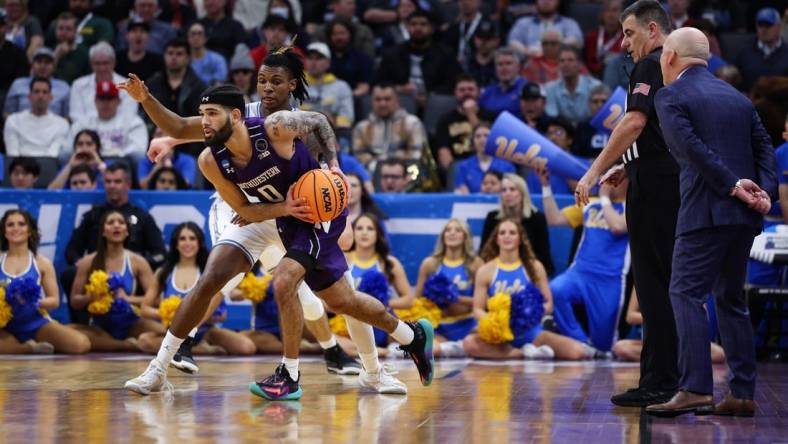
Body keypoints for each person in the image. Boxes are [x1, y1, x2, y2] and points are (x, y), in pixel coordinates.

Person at [120, 54, 432, 398]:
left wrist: (333, 167)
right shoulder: (237, 119)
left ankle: (374, 368)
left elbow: (322, 125)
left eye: (276, 81)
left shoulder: (287, 123)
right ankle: (160, 367)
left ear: (292, 85)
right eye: (262, 80)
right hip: (262, 211)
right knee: (213, 277)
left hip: (305, 214)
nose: (267, 88)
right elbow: (191, 126)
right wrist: (164, 128)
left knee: (339, 298)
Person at [645, 27, 777, 417]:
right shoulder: (736, 97)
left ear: (669, 58)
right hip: (743, 219)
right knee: (732, 300)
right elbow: (765, 147)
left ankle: (695, 387)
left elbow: (690, 150)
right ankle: (741, 392)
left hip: (704, 213)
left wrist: (733, 184)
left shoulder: (670, 95)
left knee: (685, 293)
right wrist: (765, 192)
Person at [574, 0, 680, 408]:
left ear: (653, 30)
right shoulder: (674, 67)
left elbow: (634, 122)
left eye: (629, 33)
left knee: (653, 286)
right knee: (660, 285)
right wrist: (628, 164)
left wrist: (592, 171)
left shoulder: (652, 64)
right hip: (660, 181)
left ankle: (662, 381)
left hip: (656, 191)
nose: (623, 43)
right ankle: (660, 378)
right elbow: (658, 133)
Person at [462, 218, 595, 360]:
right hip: (500, 336)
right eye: (502, 233)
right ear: (497, 239)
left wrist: (529, 315)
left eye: (512, 233)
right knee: (469, 344)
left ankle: (524, 349)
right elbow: (477, 309)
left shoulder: (535, 267)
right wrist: (495, 321)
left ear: (520, 239)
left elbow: (549, 305)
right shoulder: (485, 270)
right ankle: (521, 353)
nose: (507, 236)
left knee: (577, 352)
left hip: (532, 332)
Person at [539, 165, 629, 353]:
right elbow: (554, 219)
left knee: (604, 346)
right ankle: (581, 343)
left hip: (609, 279)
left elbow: (618, 227)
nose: (608, 183)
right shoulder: (591, 204)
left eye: (613, 179)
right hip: (580, 272)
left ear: (625, 180)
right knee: (556, 289)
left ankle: (596, 347)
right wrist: (545, 186)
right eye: (605, 178)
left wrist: (604, 198)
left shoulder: (635, 205)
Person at [138, 222, 255, 359]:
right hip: (173, 331)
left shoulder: (209, 272)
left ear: (199, 242)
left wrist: (209, 316)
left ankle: (188, 347)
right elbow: (144, 308)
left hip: (204, 331)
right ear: (176, 244)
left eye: (192, 238)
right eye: (182, 239)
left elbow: (222, 315)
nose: (187, 243)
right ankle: (202, 350)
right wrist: (168, 313)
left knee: (247, 347)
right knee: (144, 341)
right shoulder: (163, 272)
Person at [69, 210, 165, 352]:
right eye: (110, 223)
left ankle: (120, 344)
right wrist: (91, 297)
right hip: (99, 326)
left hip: (132, 322)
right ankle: (128, 345)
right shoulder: (87, 262)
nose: (116, 226)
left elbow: (156, 300)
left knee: (166, 333)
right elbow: (74, 301)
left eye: (121, 222)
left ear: (127, 231)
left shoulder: (137, 261)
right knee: (71, 334)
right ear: (103, 231)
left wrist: (127, 299)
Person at [0, 210, 91, 355]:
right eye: (10, 225)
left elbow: (54, 301)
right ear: (4, 232)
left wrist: (33, 302)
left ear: (30, 230)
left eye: (21, 224)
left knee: (81, 345)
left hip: (35, 324)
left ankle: (21, 345)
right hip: (4, 326)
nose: (16, 228)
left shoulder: (42, 263)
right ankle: (29, 348)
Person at [65, 162, 167, 269]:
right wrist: (83, 265)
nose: (112, 186)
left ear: (128, 184)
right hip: (97, 274)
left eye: (117, 181)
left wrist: (138, 266)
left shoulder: (142, 217)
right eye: (108, 181)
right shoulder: (92, 216)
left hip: (133, 275)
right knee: (69, 275)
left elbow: (160, 254)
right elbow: (71, 252)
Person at [339, 213, 414, 355]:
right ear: (352, 232)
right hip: (350, 322)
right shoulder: (343, 260)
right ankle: (382, 352)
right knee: (336, 343)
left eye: (370, 228)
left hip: (382, 322)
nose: (364, 233)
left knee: (408, 330)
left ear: (378, 234)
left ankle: (379, 350)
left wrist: (380, 303)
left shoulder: (389, 263)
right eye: (360, 228)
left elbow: (409, 300)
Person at [413, 219, 484, 357]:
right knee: (430, 349)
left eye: (458, 230)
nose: (452, 233)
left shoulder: (475, 264)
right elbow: (418, 301)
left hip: (468, 325)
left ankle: (459, 348)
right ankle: (450, 348)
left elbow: (484, 302)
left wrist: (455, 297)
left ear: (466, 237)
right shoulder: (430, 264)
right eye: (448, 230)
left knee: (479, 342)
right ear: (443, 236)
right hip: (439, 327)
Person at [613, 289, 726, 364]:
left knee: (719, 353)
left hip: (681, 343)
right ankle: (673, 360)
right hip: (655, 342)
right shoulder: (644, 274)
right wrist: (661, 318)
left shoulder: (687, 276)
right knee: (620, 347)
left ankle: (663, 360)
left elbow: (704, 317)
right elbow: (630, 316)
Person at [480, 174, 554, 276]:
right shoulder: (492, 218)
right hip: (496, 271)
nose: (507, 194)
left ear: (522, 193)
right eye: (504, 190)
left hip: (529, 271)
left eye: (512, 189)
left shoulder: (537, 218)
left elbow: (543, 256)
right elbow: (484, 253)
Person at [67, 80, 149, 161]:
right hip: (88, 163)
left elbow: (138, 152)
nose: (105, 103)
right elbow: (68, 150)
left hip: (120, 165)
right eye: (102, 98)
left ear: (118, 101)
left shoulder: (132, 122)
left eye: (109, 98)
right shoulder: (83, 123)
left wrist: (113, 155)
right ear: (95, 101)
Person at [434, 74, 496, 171]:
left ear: (479, 92)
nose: (466, 93)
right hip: (458, 167)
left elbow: (493, 147)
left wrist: (471, 114)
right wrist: (452, 172)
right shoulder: (445, 120)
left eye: (471, 89)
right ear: (455, 93)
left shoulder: (490, 117)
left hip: (487, 166)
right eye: (462, 90)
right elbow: (444, 152)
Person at [69, 42, 140, 123]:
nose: (102, 68)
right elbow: (76, 116)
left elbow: (129, 116)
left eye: (105, 63)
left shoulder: (129, 86)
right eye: (97, 64)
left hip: (119, 132)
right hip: (87, 133)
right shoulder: (78, 85)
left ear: (114, 63)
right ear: (91, 64)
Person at [3, 77, 69, 159]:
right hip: (18, 167)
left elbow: (52, 155)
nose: (40, 96)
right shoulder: (13, 121)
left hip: (49, 168)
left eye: (44, 92)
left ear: (50, 97)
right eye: (36, 92)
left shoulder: (62, 124)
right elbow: (12, 153)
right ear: (29, 97)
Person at [3, 47, 70, 118]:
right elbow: (7, 113)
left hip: (54, 127)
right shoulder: (18, 84)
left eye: (47, 62)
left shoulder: (64, 87)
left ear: (54, 67)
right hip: (22, 127)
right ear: (32, 65)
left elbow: (67, 117)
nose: (43, 66)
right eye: (39, 62)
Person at [453, 123, 516, 194]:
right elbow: (460, 191)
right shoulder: (464, 167)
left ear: (494, 139)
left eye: (486, 136)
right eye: (478, 136)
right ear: (472, 141)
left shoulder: (507, 167)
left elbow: (512, 191)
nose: (482, 140)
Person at [187, 22, 228, 86]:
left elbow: (218, 86)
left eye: (200, 34)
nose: (196, 38)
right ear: (188, 38)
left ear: (206, 38)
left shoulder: (218, 60)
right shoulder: (183, 60)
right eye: (193, 34)